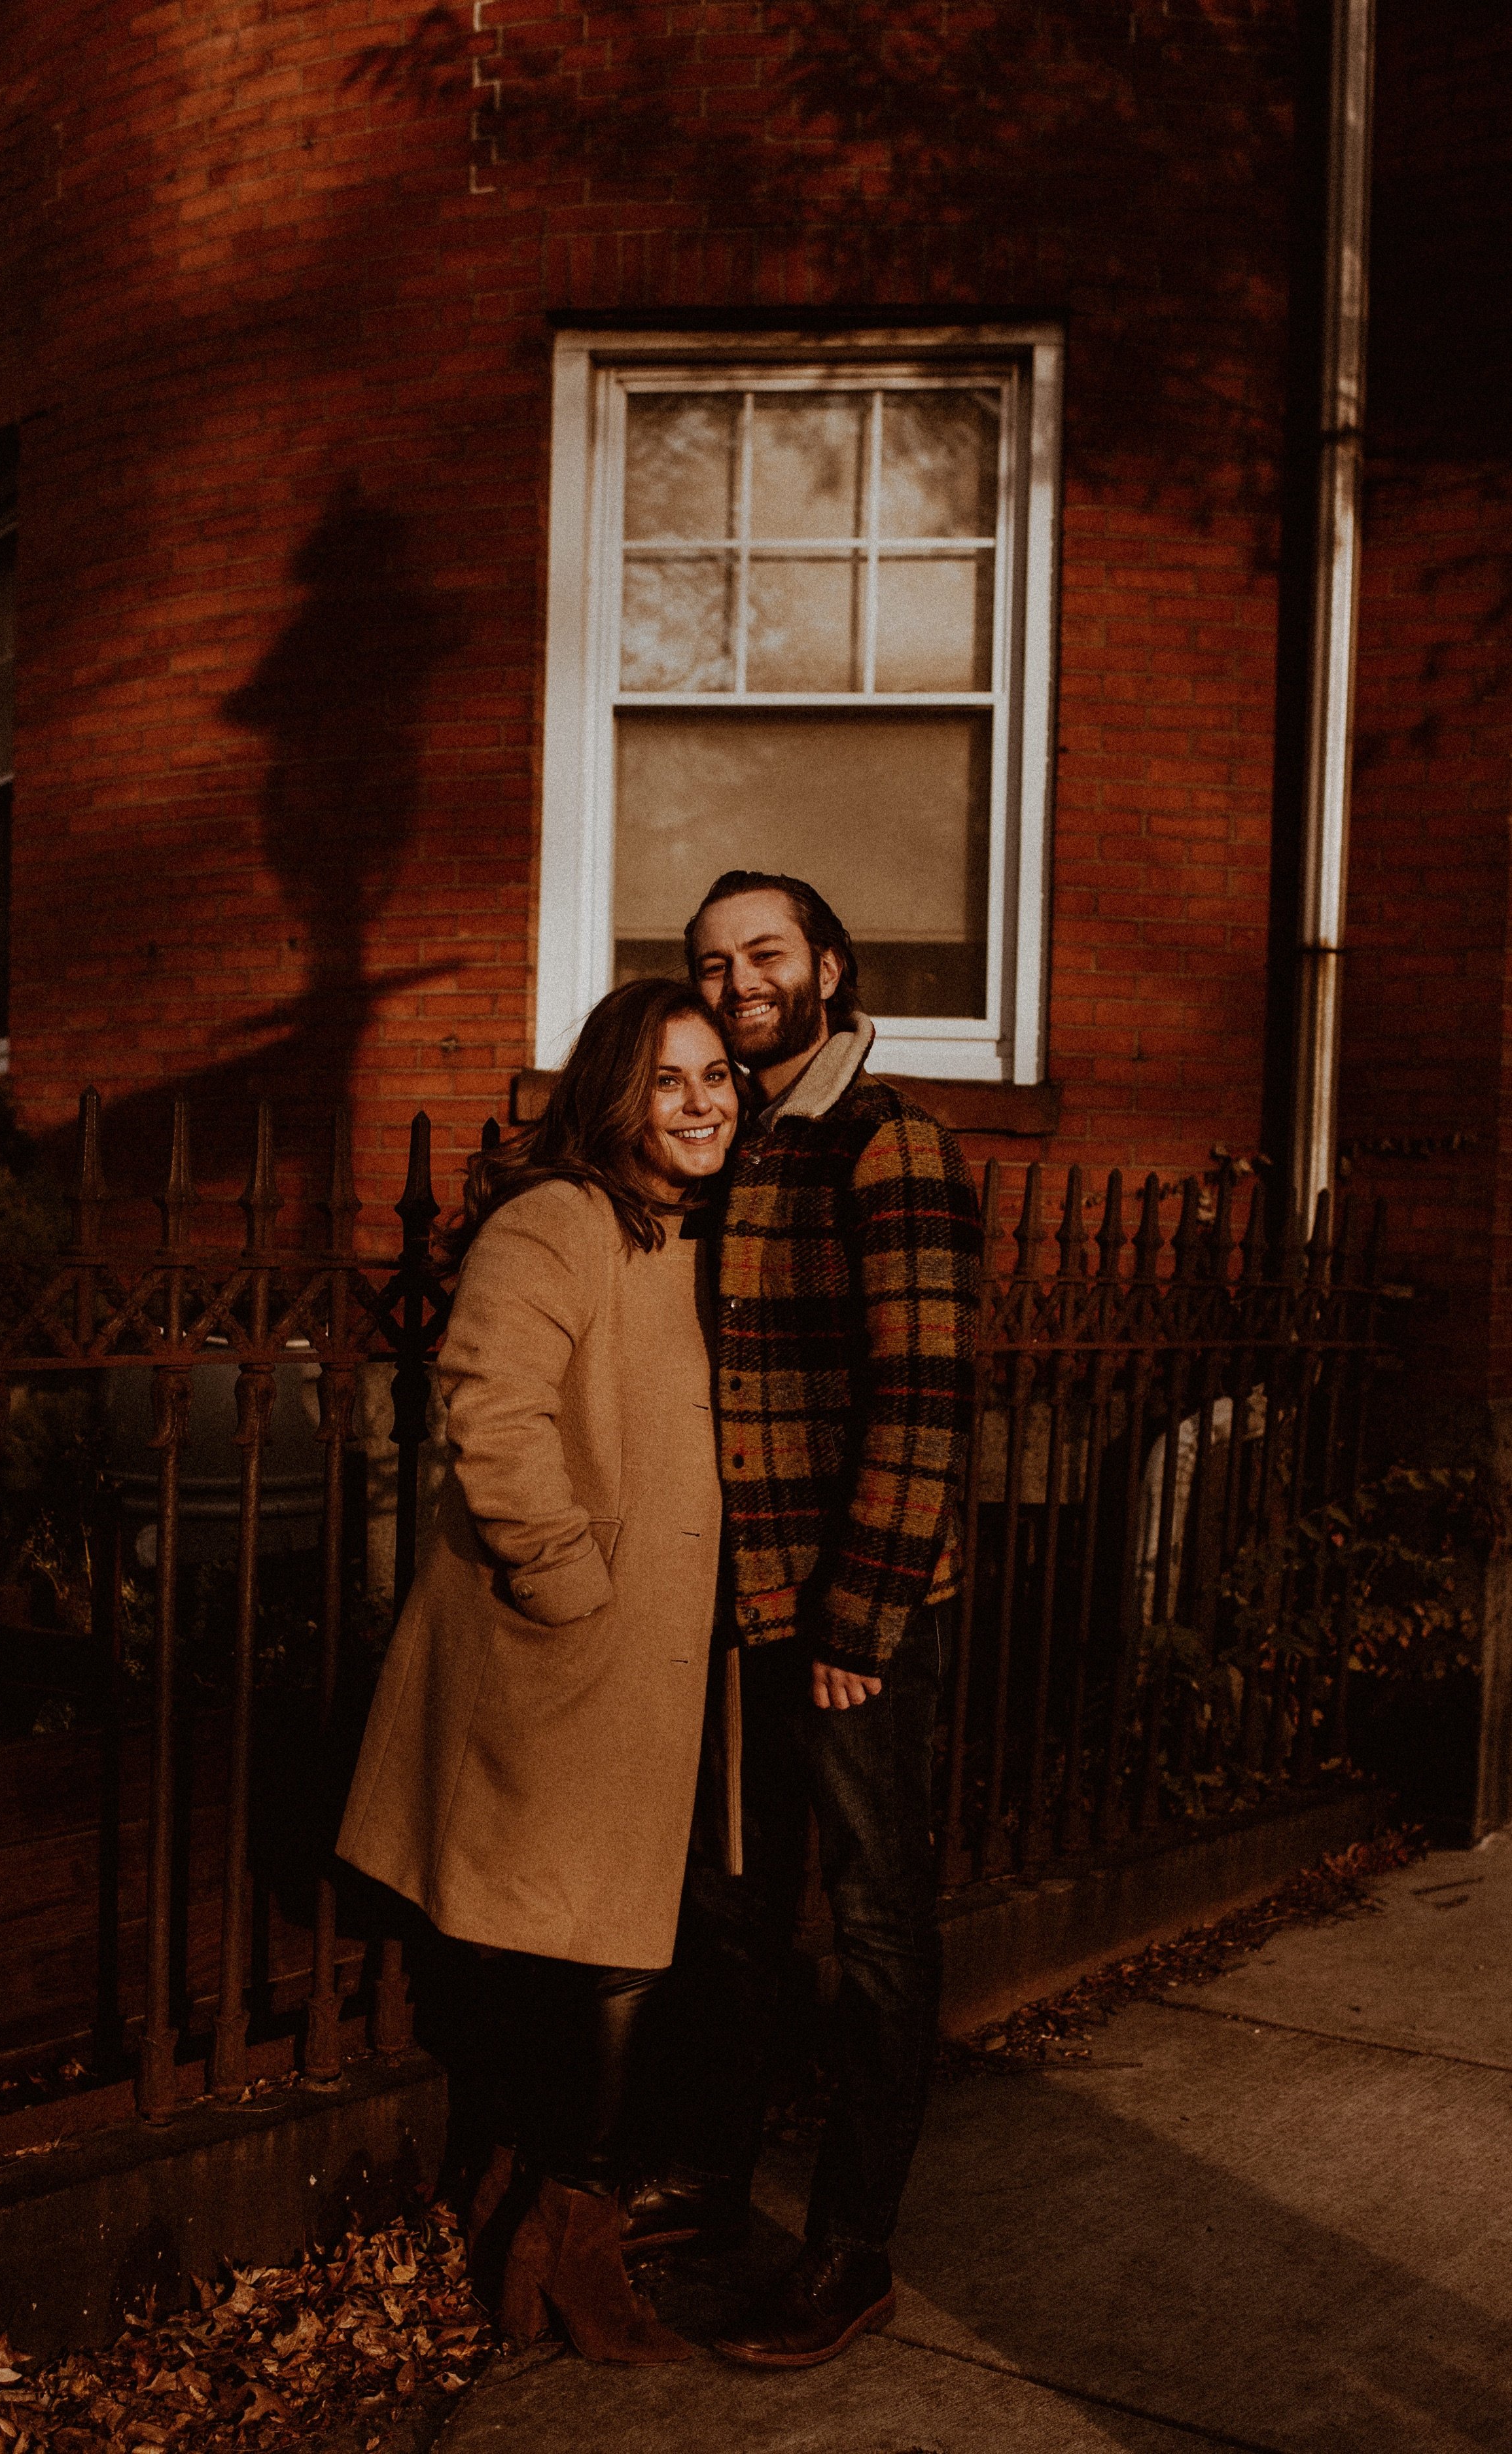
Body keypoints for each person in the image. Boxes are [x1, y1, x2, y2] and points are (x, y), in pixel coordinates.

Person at [336, 976, 739, 2364]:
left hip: (649, 1656)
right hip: (562, 1649)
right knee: (606, 1951)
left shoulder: (684, 1232)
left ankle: (525, 2212)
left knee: (596, 1947)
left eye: (717, 1079)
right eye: (671, 1081)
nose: (701, 1105)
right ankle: (570, 2246)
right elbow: (487, 1405)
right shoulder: (557, 1217)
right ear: (613, 1096)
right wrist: (571, 1576)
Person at [623, 871, 981, 2368]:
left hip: (851, 1622)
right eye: (711, 963)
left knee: (878, 1928)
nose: (737, 979)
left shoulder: (885, 1140)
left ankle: (851, 2250)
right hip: (738, 1608)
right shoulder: (732, 1140)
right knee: (732, 1911)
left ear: (826, 966)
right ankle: (705, 2179)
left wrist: (856, 1619)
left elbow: (924, 1398)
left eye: (764, 952)